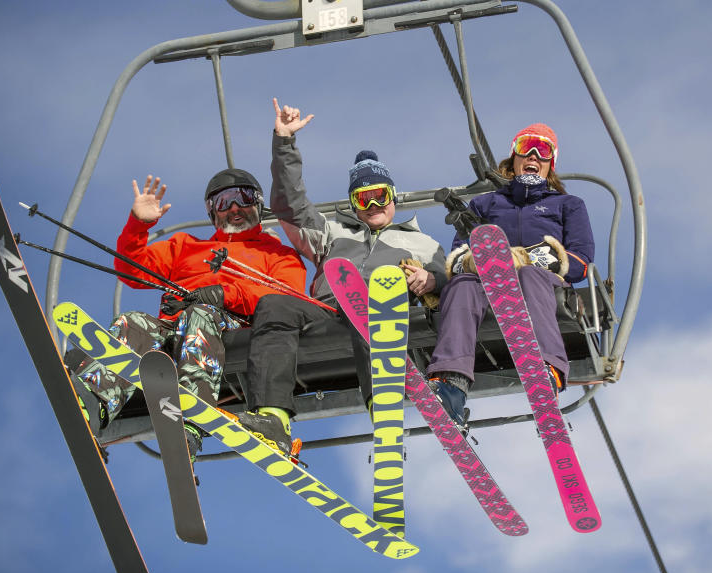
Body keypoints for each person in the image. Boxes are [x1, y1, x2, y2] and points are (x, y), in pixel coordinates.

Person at [234, 98, 448, 455]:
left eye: (380, 195)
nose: (374, 205)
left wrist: (431, 280)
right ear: (353, 204)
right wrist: (284, 142)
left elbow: (445, 279)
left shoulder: (421, 242)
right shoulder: (333, 233)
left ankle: (383, 407)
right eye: (363, 199)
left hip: (385, 312)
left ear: (393, 196)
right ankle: (273, 417)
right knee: (274, 305)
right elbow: (290, 206)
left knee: (373, 299)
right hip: (331, 309)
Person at [70, 169, 307, 458]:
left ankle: (192, 422)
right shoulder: (186, 247)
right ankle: (94, 404)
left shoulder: (277, 254)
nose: (234, 207)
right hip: (174, 327)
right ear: (212, 212)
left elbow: (285, 297)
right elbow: (132, 270)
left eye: (243, 198)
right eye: (222, 202)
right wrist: (139, 225)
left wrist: (223, 295)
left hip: (234, 327)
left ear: (257, 204)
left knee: (201, 315)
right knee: (131, 323)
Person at [423, 123, 595, 424]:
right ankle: (451, 383)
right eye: (526, 146)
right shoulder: (484, 204)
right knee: (462, 285)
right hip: (487, 286)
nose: (533, 155)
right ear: (514, 155)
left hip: (541, 283)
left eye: (543, 151)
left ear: (551, 162)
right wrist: (475, 262)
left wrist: (523, 258)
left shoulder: (566, 205)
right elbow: (458, 257)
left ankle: (545, 372)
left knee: (529, 275)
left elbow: (580, 261)